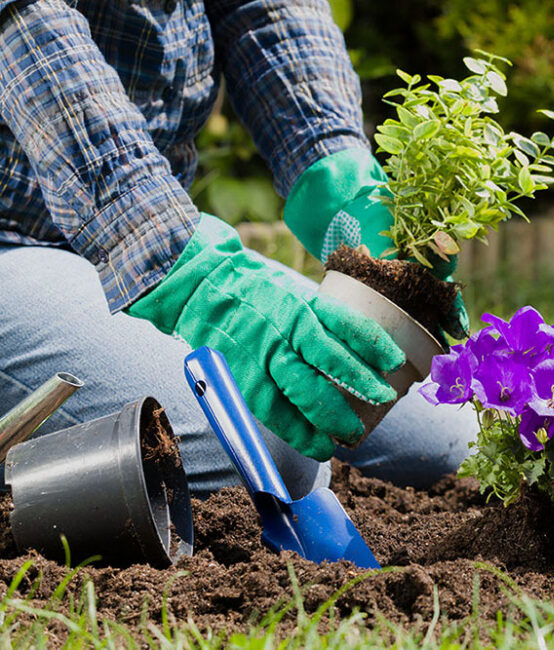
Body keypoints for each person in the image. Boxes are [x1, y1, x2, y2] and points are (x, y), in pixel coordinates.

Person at [0, 0, 476, 497]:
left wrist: (336, 179)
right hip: (16, 242)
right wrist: (184, 265)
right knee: (264, 454)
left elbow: (262, 10)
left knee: (447, 436)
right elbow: (27, 28)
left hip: (114, 262)